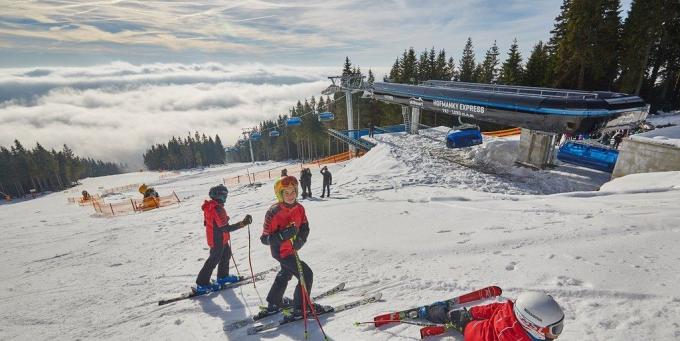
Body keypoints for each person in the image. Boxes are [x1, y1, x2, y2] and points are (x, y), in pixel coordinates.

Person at [260, 176, 323, 319]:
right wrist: (282, 236)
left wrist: (300, 240)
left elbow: (305, 227)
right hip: (281, 252)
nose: (290, 196)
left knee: (286, 273)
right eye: (286, 193)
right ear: (280, 194)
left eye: (293, 191)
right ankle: (300, 309)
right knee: (306, 275)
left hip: (292, 249)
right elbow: (264, 239)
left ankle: (274, 302)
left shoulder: (299, 208)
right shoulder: (273, 212)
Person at [421, 292, 564, 341]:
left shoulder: (512, 309)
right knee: (457, 318)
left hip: (492, 324)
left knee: (469, 315)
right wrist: (469, 315)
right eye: (555, 329)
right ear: (532, 326)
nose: (558, 335)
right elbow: (493, 309)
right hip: (475, 333)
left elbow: (493, 309)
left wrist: (472, 312)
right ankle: (439, 314)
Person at [195, 184, 253, 294]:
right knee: (213, 260)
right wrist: (243, 223)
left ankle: (223, 276)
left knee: (226, 254)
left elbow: (209, 222)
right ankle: (202, 284)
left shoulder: (211, 206)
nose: (226, 197)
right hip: (217, 239)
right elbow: (225, 228)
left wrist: (222, 221)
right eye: (224, 195)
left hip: (218, 237)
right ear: (218, 195)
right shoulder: (217, 208)